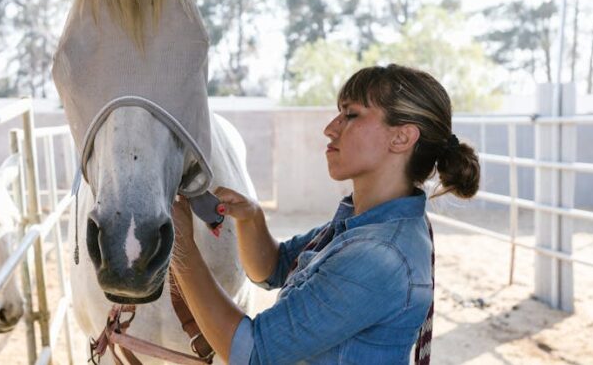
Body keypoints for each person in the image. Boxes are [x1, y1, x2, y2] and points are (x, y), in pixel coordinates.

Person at [171, 64, 480, 364]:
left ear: (401, 138)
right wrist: (251, 218)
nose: (330, 128)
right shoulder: (367, 224)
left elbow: (250, 352)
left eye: (351, 115)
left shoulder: (379, 255)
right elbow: (272, 269)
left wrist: (181, 247)